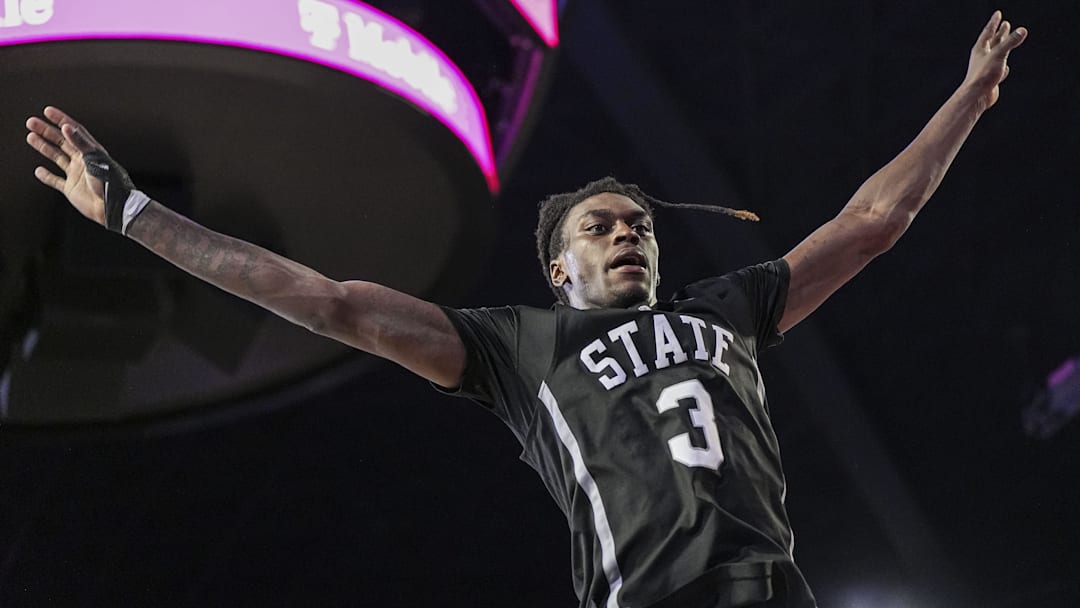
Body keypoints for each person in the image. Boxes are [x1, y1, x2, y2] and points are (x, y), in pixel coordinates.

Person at [22, 11, 1026, 608]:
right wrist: (137, 213)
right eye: (601, 225)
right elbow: (327, 301)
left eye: (639, 223)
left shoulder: (731, 308)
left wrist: (969, 100)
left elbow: (873, 219)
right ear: (558, 268)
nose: (628, 232)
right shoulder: (517, 346)